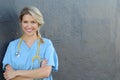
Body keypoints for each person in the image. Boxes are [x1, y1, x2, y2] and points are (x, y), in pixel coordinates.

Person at [2, 6, 58, 80]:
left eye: (33, 22)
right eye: (25, 22)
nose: (29, 26)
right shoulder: (13, 46)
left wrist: (16, 73)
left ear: (38, 23)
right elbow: (9, 76)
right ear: (21, 23)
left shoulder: (47, 44)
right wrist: (38, 74)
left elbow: (46, 73)